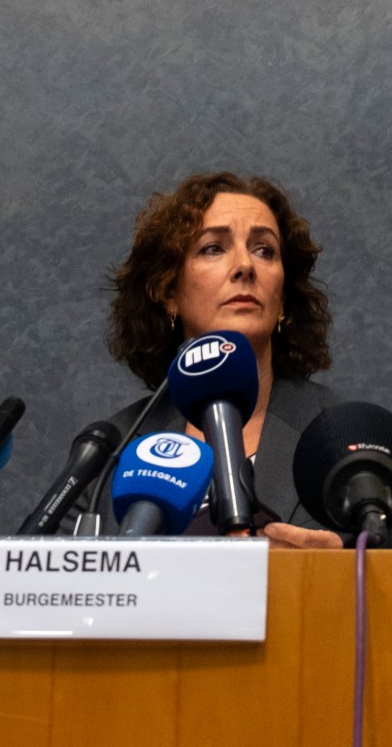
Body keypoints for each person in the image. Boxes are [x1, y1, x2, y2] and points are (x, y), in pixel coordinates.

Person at [93, 172, 344, 546]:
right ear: (168, 292)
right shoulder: (109, 451)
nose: (245, 265)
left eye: (264, 250)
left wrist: (336, 570)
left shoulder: (345, 435)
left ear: (284, 297)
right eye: (213, 248)